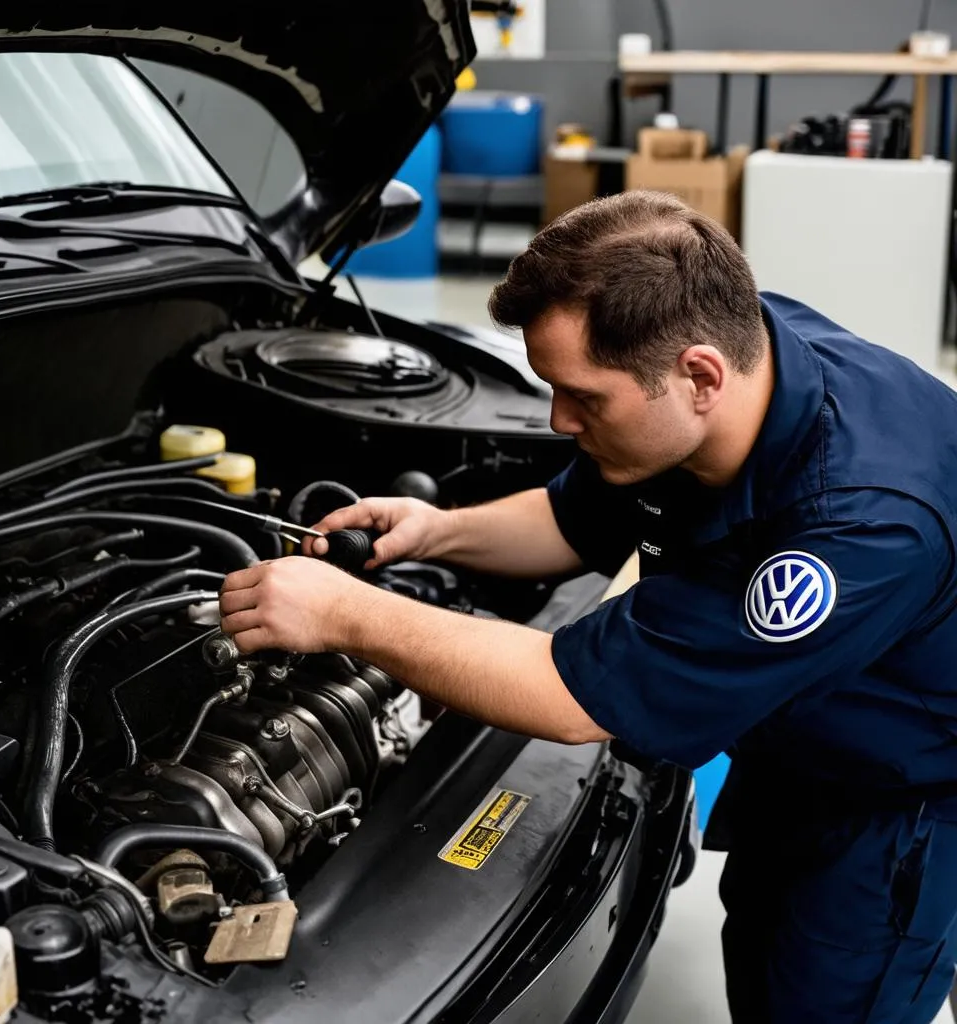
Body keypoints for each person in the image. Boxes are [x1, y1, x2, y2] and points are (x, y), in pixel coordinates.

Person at [219, 191, 957, 1024]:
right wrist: (437, 532)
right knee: (761, 954)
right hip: (796, 735)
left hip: (890, 803)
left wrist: (347, 615)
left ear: (700, 376)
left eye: (584, 397)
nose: (558, 420)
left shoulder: (860, 528)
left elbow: (570, 697)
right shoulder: (735, 353)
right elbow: (577, 519)